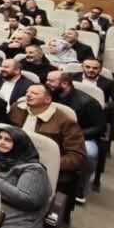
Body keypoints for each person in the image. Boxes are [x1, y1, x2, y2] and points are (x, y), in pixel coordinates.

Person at [8, 83, 86, 215]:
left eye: (34, 93)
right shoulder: (17, 109)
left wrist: (48, 165)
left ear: (48, 99)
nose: (28, 95)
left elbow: (76, 156)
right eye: (27, 92)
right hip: (12, 158)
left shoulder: (65, 121)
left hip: (42, 167)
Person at [0, 126, 51, 228]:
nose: (1, 142)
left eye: (8, 140)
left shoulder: (34, 169)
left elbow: (28, 200)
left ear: (19, 144)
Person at [45, 71, 105, 203]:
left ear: (65, 84)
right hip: (53, 131)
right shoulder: (49, 95)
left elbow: (99, 127)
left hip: (82, 136)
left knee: (90, 154)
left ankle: (80, 187)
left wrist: (73, 135)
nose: (47, 83)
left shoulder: (88, 102)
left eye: (51, 81)